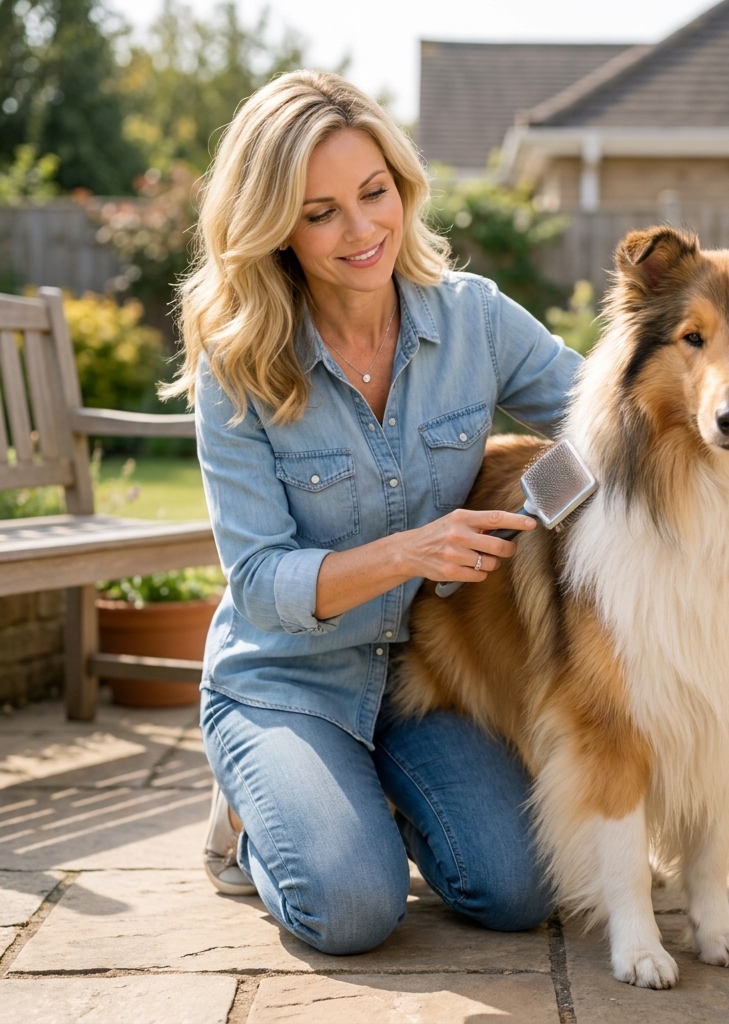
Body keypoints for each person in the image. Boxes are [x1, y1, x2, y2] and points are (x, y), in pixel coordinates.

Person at [164, 70, 583, 955]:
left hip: (426, 683)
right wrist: (409, 553)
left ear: (403, 185)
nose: (362, 231)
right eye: (320, 213)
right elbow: (259, 582)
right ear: (275, 226)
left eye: (374, 193)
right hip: (288, 681)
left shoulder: (474, 320)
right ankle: (251, 813)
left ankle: (365, 800)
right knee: (353, 910)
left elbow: (609, 422)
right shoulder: (237, 369)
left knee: (523, 887)